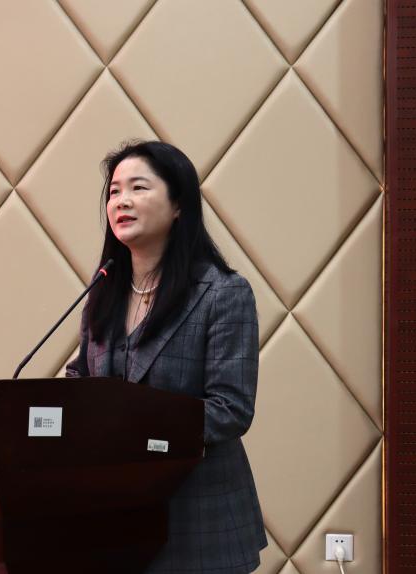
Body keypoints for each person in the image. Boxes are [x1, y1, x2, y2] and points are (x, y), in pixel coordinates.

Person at [65, 140, 267, 573]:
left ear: (178, 205)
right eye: (114, 191)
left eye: (138, 188)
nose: (121, 201)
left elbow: (230, 409)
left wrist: (131, 428)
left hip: (198, 522)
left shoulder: (223, 293)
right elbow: (81, 376)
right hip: (115, 519)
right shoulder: (103, 291)